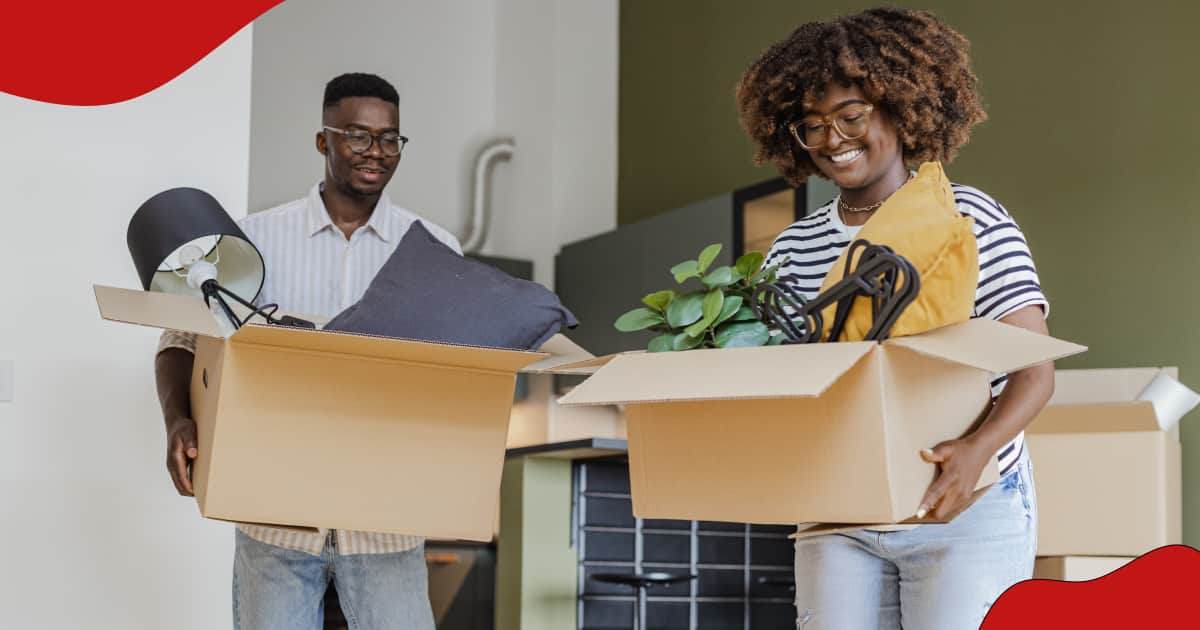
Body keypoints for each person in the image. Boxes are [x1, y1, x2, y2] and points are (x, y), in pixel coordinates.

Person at [736, 8, 1053, 629]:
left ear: (900, 109)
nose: (833, 138)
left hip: (967, 502)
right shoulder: (792, 249)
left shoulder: (967, 217)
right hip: (838, 509)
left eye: (851, 115)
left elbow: (1034, 372)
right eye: (812, 125)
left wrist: (974, 451)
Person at [155, 72, 460, 630]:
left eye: (390, 138)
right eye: (358, 135)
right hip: (274, 518)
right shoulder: (252, 238)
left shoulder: (436, 248)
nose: (376, 152)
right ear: (323, 141)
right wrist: (178, 420)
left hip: (385, 522)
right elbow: (181, 339)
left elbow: (459, 369)